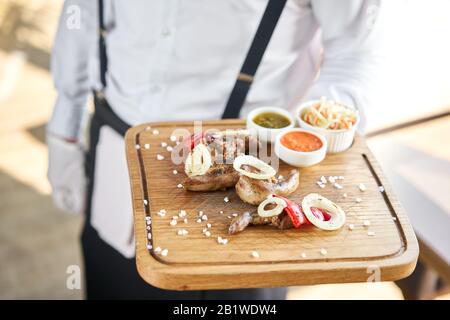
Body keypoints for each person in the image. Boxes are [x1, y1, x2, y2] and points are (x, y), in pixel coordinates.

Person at [47, 0, 384, 299]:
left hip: (245, 183)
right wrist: (64, 129)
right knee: (109, 283)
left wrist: (310, 144)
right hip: (115, 151)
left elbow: (355, 52)